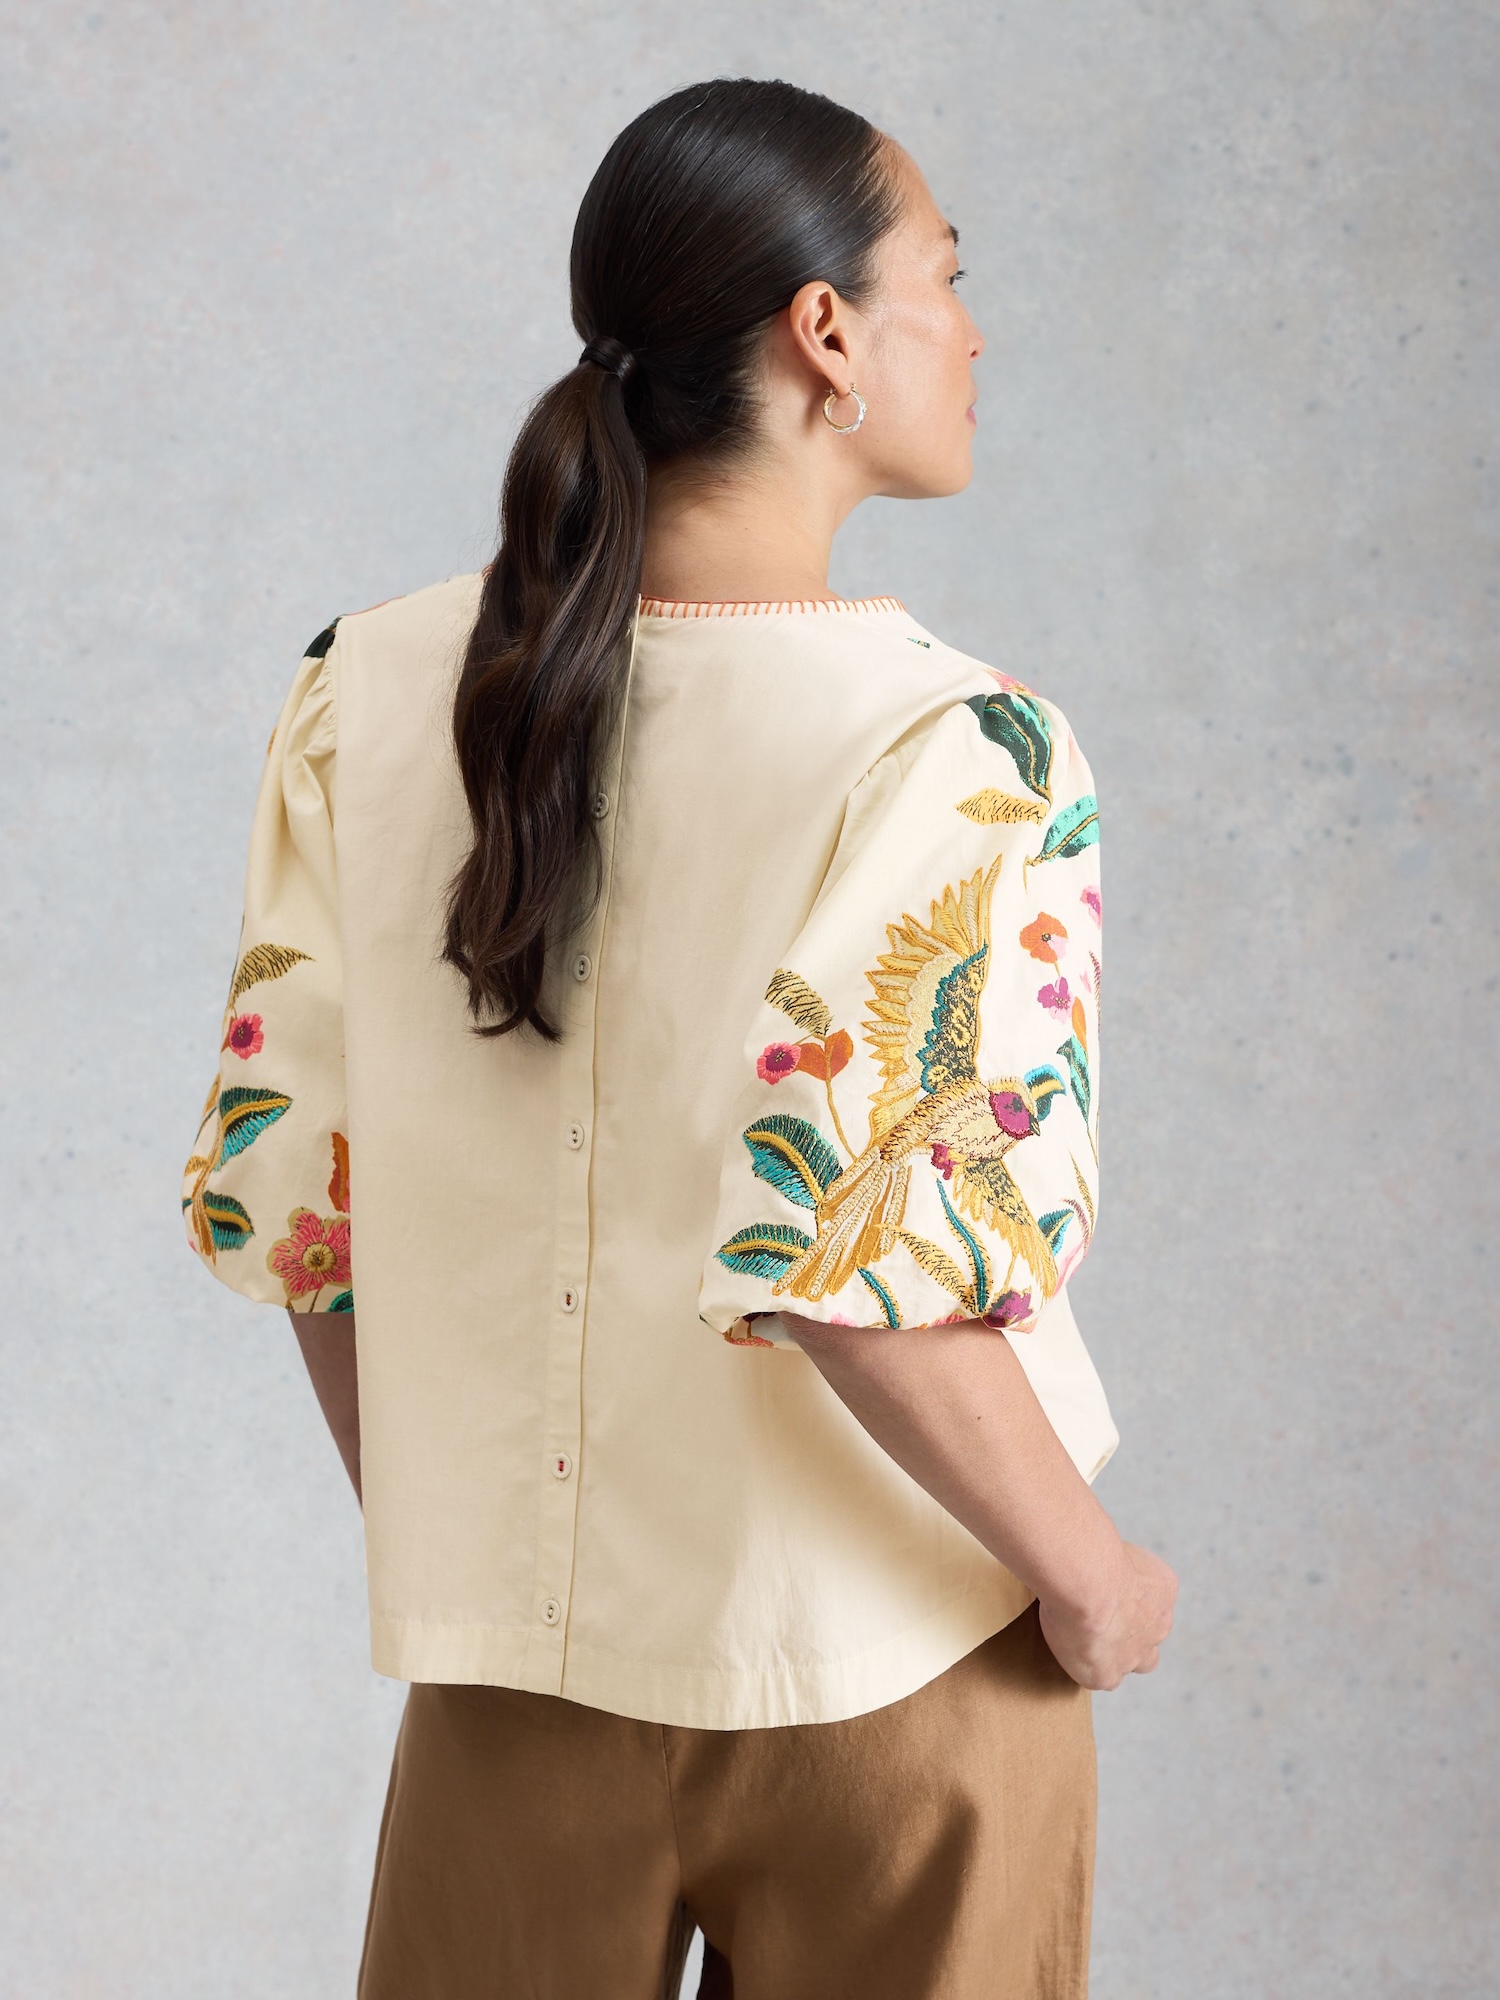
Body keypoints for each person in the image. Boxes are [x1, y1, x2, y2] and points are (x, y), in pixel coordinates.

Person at [182, 76, 1176, 1999]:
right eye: (947, 277)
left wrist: (493, 1565)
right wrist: (1095, 1575)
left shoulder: (363, 694)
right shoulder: (955, 747)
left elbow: (302, 1214)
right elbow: (851, 1269)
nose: (973, 333)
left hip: (514, 1705)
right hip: (897, 1676)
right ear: (826, 336)